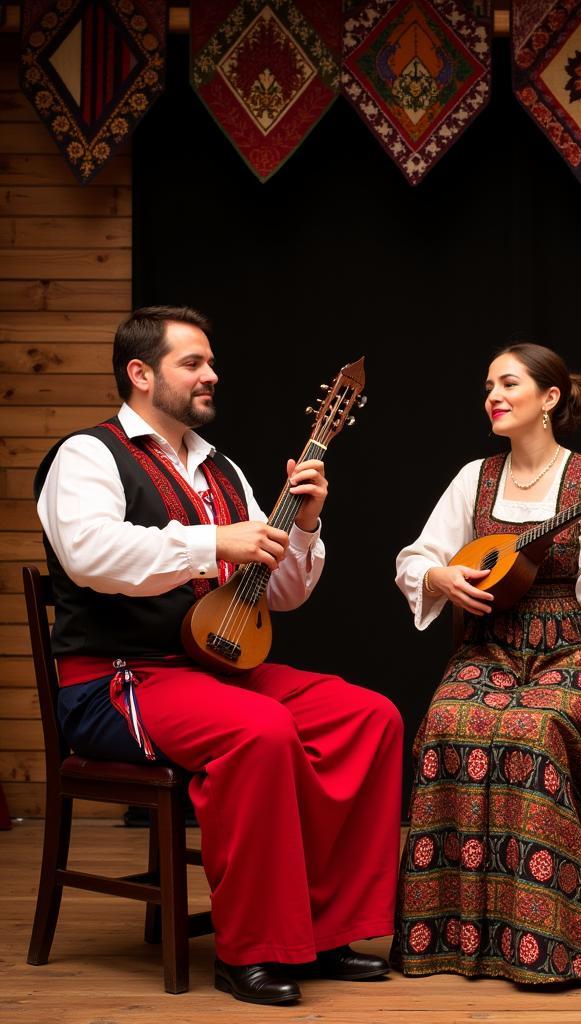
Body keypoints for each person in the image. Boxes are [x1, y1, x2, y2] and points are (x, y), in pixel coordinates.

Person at [35, 306, 403, 1006]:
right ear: (140, 375)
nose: (212, 374)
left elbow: (282, 594)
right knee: (258, 732)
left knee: (369, 716)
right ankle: (253, 952)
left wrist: (304, 524)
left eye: (210, 362)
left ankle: (326, 933)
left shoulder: (222, 468)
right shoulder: (86, 455)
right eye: (192, 363)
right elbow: (91, 557)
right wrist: (214, 544)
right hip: (117, 681)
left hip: (216, 670)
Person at [392, 343, 581, 983]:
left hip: (579, 648)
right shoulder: (474, 477)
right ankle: (449, 932)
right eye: (488, 387)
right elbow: (414, 559)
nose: (493, 397)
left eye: (508, 384)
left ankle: (552, 937)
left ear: (550, 399)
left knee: (535, 730)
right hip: (492, 645)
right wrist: (444, 578)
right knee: (447, 722)